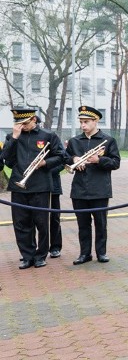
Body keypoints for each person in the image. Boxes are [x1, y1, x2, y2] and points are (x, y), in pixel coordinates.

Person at [1, 107, 66, 269]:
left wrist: (45, 163)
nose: (22, 126)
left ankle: (40, 255)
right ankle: (27, 255)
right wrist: (14, 138)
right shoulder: (12, 137)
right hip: (19, 186)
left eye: (25, 122)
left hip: (41, 185)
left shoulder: (48, 136)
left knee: (42, 223)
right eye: (18, 123)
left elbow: (61, 156)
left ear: (34, 120)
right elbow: (6, 160)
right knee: (21, 224)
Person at [66, 106, 121, 265]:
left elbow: (116, 163)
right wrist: (74, 160)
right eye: (81, 122)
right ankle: (85, 254)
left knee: (100, 224)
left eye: (86, 122)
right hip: (79, 190)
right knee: (82, 224)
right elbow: (66, 159)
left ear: (95, 121)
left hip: (100, 189)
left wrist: (99, 160)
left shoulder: (108, 140)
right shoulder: (75, 141)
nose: (83, 125)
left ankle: (101, 253)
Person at [48, 163, 64, 258]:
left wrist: (45, 170)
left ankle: (55, 247)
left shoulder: (56, 146)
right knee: (32, 218)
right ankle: (31, 250)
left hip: (53, 185)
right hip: (33, 186)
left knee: (54, 218)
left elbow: (62, 162)